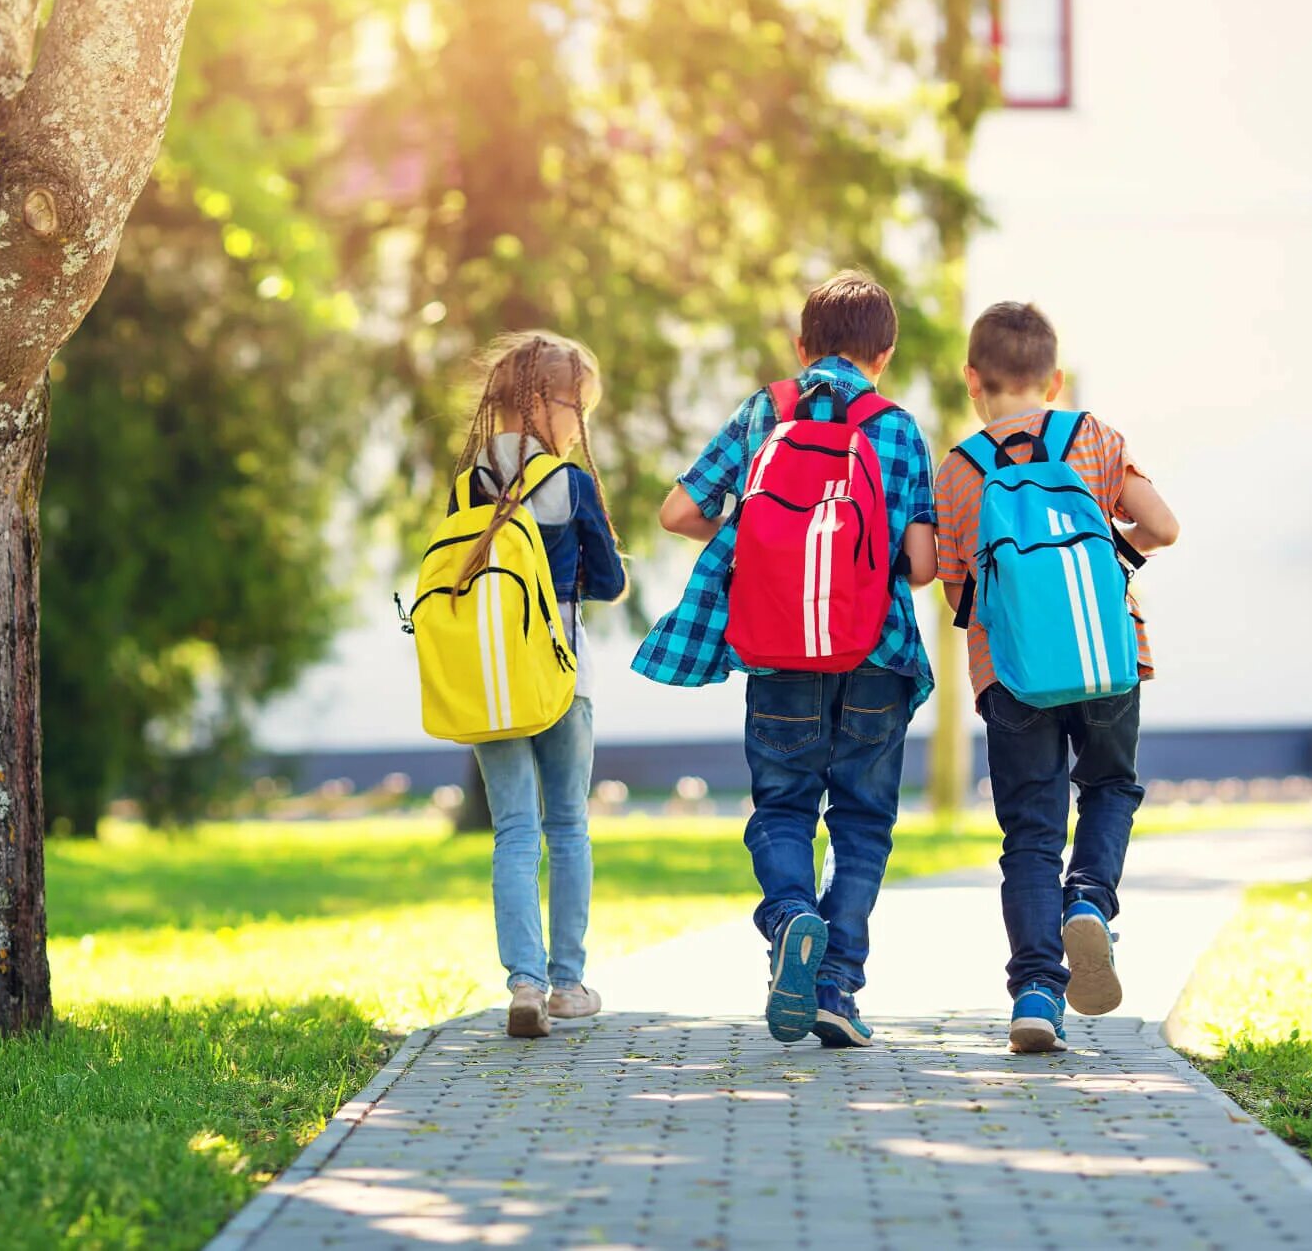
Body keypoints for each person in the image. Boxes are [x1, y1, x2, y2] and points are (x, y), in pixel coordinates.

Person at [640, 270, 937, 1048]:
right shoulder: (898, 427)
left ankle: (789, 918)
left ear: (801, 346)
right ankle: (837, 982)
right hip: (877, 651)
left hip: (778, 651)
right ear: (887, 353)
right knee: (863, 821)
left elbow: (678, 512)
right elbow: (926, 561)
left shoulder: (761, 411)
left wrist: (764, 546)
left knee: (782, 808)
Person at [934, 301, 1180, 1053]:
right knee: (1109, 788)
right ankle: (1092, 902)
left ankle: (1037, 992)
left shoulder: (960, 470)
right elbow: (1163, 526)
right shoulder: (1094, 438)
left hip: (1012, 673)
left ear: (973, 379)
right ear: (1056, 377)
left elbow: (954, 589)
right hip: (1108, 658)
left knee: (1031, 832)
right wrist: (1115, 554)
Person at [454, 332, 627, 1039]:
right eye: (576, 406)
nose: (579, 420)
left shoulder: (470, 483)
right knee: (568, 824)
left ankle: (522, 983)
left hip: (490, 677)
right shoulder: (570, 482)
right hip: (559, 672)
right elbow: (610, 582)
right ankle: (568, 983)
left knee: (514, 830)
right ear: (545, 404)